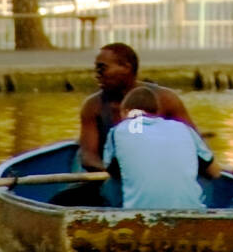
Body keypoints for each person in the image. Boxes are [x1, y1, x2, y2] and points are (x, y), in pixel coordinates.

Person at [78, 42, 199, 171]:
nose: (97, 74)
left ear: (126, 67)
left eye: (102, 68)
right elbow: (88, 156)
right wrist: (117, 174)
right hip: (110, 176)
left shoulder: (166, 99)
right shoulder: (92, 106)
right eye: (96, 69)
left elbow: (196, 143)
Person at [103, 86, 220, 211]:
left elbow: (111, 170)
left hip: (140, 217)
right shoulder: (185, 128)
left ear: (126, 112)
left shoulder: (117, 131)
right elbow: (215, 172)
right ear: (156, 112)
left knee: (109, 186)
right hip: (191, 214)